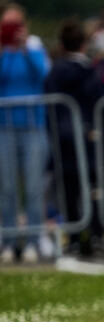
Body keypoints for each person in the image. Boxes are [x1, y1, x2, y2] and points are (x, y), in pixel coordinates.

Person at [44, 19, 104, 257]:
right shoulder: (87, 71)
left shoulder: (55, 71)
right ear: (83, 44)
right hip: (86, 138)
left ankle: (74, 237)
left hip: (62, 140)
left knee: (69, 190)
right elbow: (97, 98)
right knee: (92, 188)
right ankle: (94, 235)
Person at [0, 3, 49, 264]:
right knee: (6, 188)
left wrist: (24, 49)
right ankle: (8, 241)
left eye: (16, 24)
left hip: (32, 126)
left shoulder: (33, 48)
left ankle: (33, 240)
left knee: (33, 187)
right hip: (4, 128)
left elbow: (43, 74)